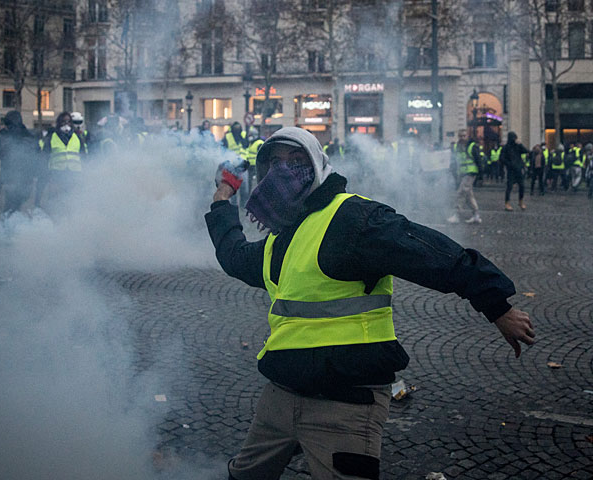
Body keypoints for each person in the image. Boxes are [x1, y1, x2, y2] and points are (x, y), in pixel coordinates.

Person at [205, 127, 535, 480]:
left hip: (345, 405)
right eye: (275, 163)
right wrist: (223, 196)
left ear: (318, 166)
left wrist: (497, 307)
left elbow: (430, 253)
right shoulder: (279, 240)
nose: (284, 170)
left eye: (296, 160)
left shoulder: (352, 219)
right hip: (281, 394)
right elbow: (235, 256)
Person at [40, 112, 86, 213]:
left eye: (69, 121)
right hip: (57, 173)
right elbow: (44, 156)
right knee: (56, 198)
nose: (66, 124)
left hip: (74, 173)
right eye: (63, 121)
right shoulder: (52, 137)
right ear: (59, 123)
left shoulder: (77, 137)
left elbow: (83, 155)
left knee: (72, 198)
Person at [0, 111, 38, 216]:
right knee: (17, 206)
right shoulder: (29, 136)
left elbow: (6, 159)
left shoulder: (11, 136)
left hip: (17, 176)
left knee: (10, 207)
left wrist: (1, 179)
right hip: (22, 177)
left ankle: (11, 226)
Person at [447, 129, 482, 224]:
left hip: (471, 173)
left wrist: (480, 176)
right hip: (462, 174)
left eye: (464, 136)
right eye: (461, 136)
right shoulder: (456, 147)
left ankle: (456, 214)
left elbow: (479, 161)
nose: (462, 138)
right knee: (469, 195)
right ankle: (476, 215)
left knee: (461, 192)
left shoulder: (472, 146)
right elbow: (454, 161)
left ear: (467, 136)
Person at [500, 131, 528, 211]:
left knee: (522, 186)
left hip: (519, 169)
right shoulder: (505, 148)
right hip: (511, 170)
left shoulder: (518, 146)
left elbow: (526, 151)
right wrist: (509, 164)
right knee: (509, 187)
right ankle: (507, 203)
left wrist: (520, 144)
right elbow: (501, 158)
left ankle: (521, 201)